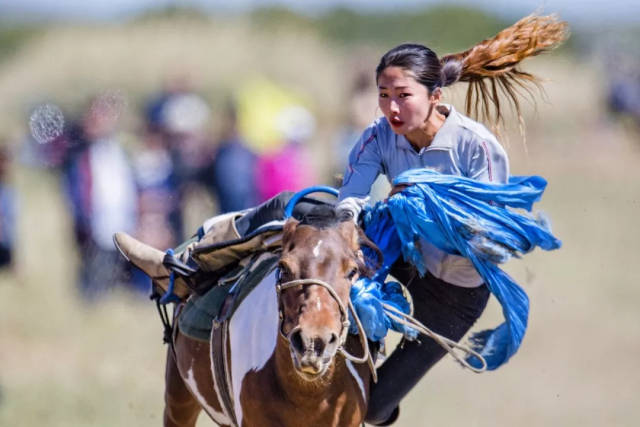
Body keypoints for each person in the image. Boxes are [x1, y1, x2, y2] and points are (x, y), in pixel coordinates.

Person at [114, 13, 567, 424]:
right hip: (400, 256)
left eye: (402, 97)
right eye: (383, 96)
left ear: (435, 96)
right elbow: (349, 200)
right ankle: (188, 261)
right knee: (310, 209)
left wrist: (424, 207)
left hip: (455, 292)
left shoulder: (477, 146)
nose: (391, 109)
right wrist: (353, 225)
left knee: (373, 408)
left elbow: (493, 235)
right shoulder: (377, 137)